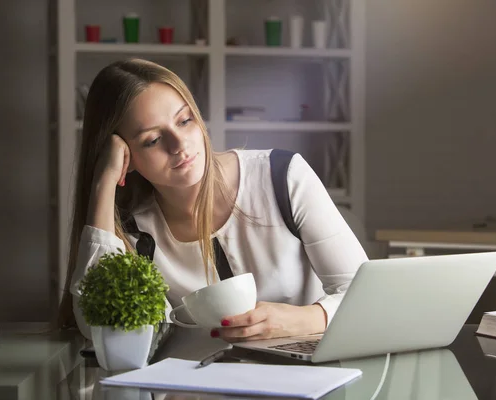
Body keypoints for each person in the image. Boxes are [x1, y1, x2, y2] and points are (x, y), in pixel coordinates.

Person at [58, 58, 368, 342]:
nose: (179, 144)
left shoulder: (283, 177)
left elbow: (366, 296)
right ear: (127, 158)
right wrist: (103, 183)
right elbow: (103, 328)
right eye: (152, 140)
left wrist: (307, 318)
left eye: (184, 121)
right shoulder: (132, 227)